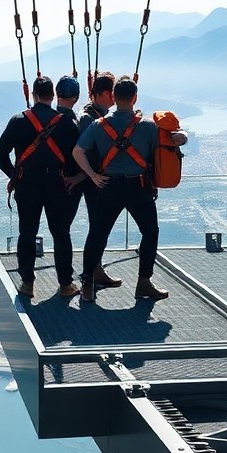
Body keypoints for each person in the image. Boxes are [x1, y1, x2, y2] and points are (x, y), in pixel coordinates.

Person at [72, 76, 187, 302]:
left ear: (113, 98)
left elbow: (78, 151)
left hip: (108, 186)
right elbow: (177, 140)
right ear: (135, 98)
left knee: (97, 234)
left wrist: (94, 176)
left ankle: (87, 283)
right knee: (150, 232)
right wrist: (182, 135)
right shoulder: (147, 126)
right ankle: (144, 282)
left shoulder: (98, 125)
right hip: (139, 187)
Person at [0, 75, 82, 299]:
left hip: (27, 184)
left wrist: (14, 174)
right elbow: (75, 156)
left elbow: (0, 153)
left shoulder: (18, 120)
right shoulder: (65, 123)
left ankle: (27, 283)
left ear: (33, 95)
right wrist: (69, 176)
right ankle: (65, 284)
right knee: (61, 233)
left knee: (27, 232)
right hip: (56, 183)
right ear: (53, 96)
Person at [67, 71, 124, 289]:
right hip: (93, 180)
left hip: (90, 178)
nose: (113, 96)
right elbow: (86, 151)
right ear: (100, 94)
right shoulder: (90, 119)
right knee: (98, 227)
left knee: (97, 227)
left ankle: (93, 270)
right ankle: (93, 272)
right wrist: (88, 174)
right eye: (110, 93)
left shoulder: (90, 114)